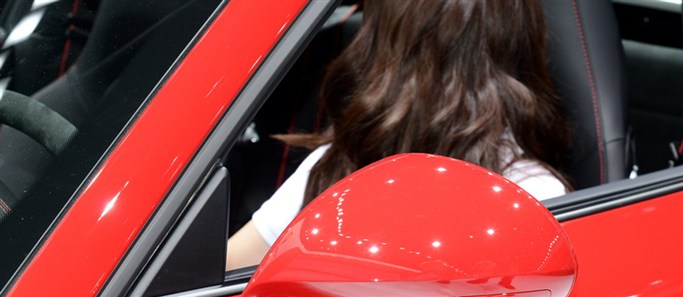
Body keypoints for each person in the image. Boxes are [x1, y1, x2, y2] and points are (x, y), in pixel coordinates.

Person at [226, 0, 570, 270]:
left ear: (381, 49)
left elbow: (229, 268)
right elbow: (225, 274)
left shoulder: (527, 197)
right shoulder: (533, 192)